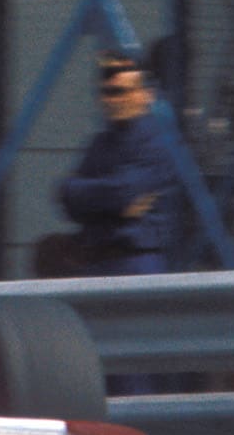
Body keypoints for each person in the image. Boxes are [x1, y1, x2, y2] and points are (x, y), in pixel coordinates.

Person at [58, 54, 177, 279]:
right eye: (105, 92)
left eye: (119, 92)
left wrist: (88, 199)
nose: (110, 100)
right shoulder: (100, 143)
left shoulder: (157, 142)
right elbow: (66, 195)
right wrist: (112, 205)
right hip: (95, 263)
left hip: (136, 264)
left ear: (146, 95)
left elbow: (124, 193)